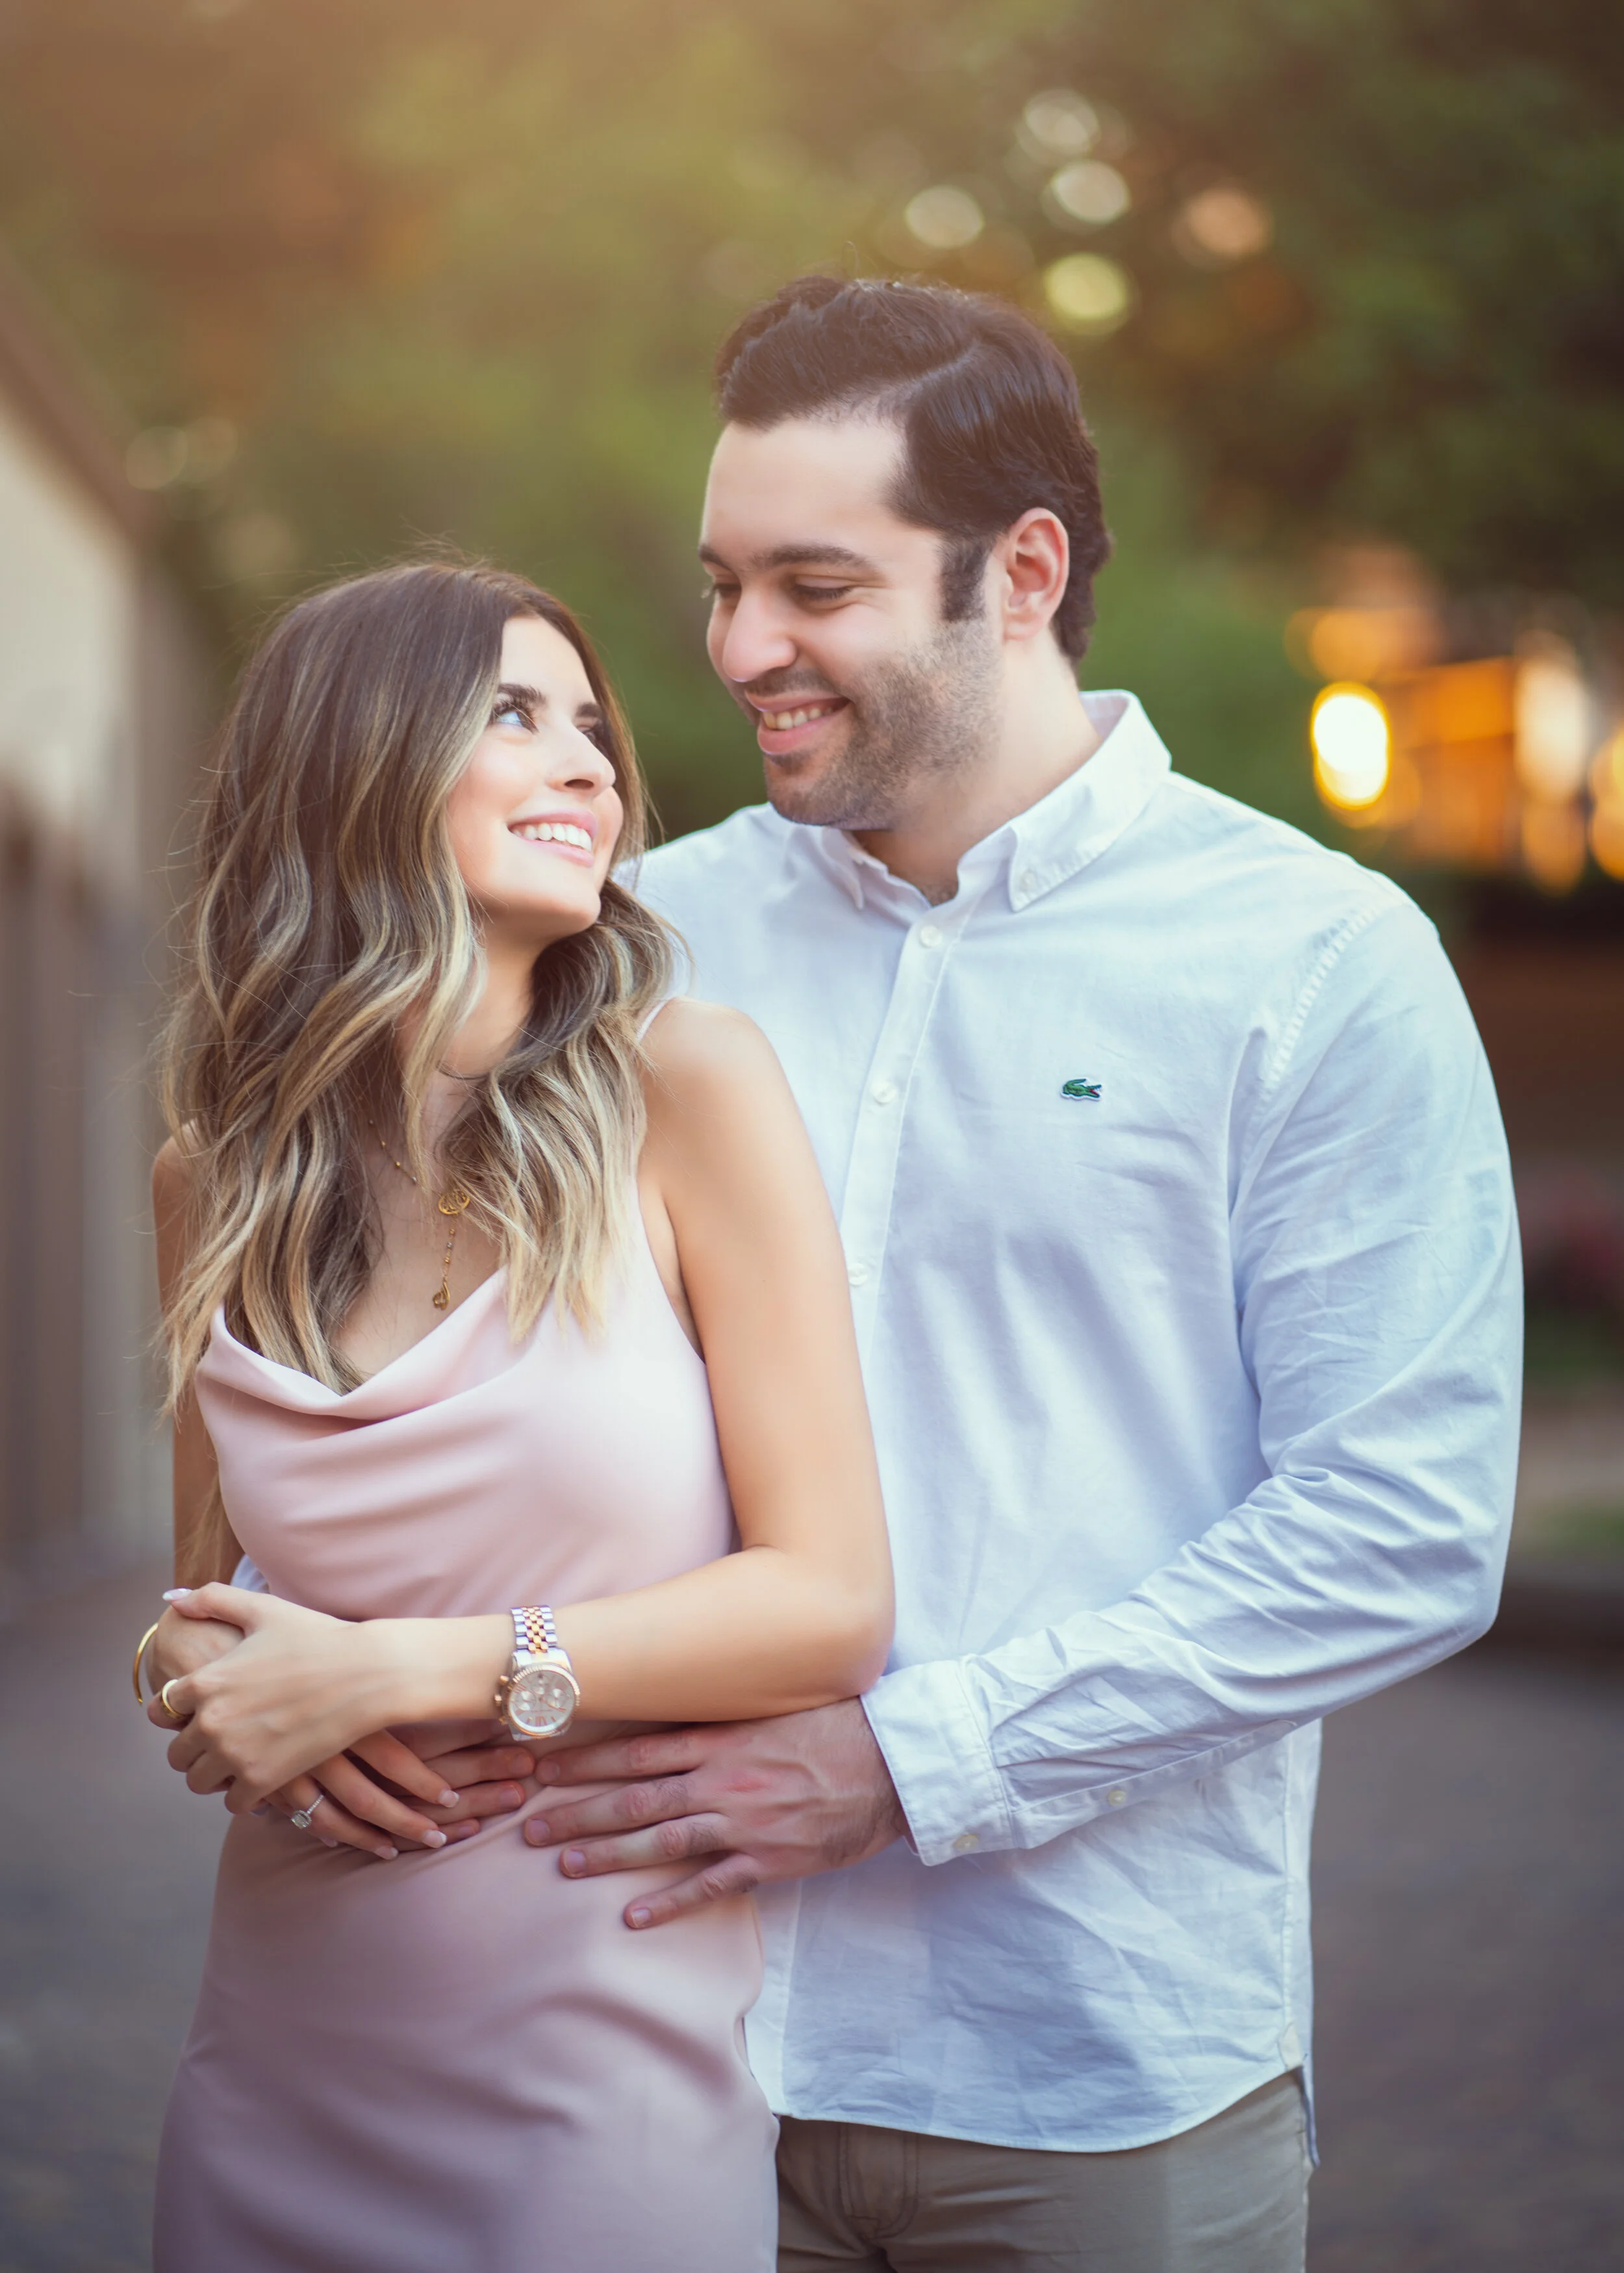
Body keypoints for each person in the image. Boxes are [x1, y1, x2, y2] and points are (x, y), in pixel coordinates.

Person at [499, 277, 1521, 2269]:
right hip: (647, 2040)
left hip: (1093, 2080)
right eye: (722, 586)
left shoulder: (1310, 961)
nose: (738, 652)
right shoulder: (639, 949)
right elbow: (475, 1358)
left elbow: (1398, 1522)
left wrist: (904, 1765)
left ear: (1021, 570)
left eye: (813, 585)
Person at [135, 559, 893, 2273]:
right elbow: (203, 1595)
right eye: (512, 713)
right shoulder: (214, 1181)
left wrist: (408, 1668)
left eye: (591, 727)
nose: (591, 768)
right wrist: (189, 1676)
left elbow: (831, 1600)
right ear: (356, 766)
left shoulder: (686, 1089)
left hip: (595, 2086)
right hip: (279, 2065)